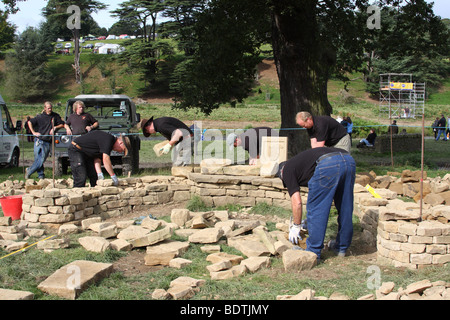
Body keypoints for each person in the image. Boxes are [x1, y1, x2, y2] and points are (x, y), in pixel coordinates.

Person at [277, 147, 356, 260]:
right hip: (348, 160)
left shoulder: (287, 170)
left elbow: (297, 202)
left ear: (281, 173)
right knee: (345, 207)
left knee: (316, 209)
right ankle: (341, 248)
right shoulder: (302, 165)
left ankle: (313, 252)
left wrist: (296, 226)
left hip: (328, 162)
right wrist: (308, 222)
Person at [26, 102, 65, 179]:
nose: (50, 109)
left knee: (42, 158)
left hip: (47, 141)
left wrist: (55, 127)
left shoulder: (55, 116)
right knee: (38, 158)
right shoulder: (39, 117)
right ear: (44, 108)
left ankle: (29, 170)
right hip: (39, 140)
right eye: (48, 108)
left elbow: (62, 124)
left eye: (51, 108)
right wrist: (33, 132)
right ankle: (41, 175)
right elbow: (29, 122)